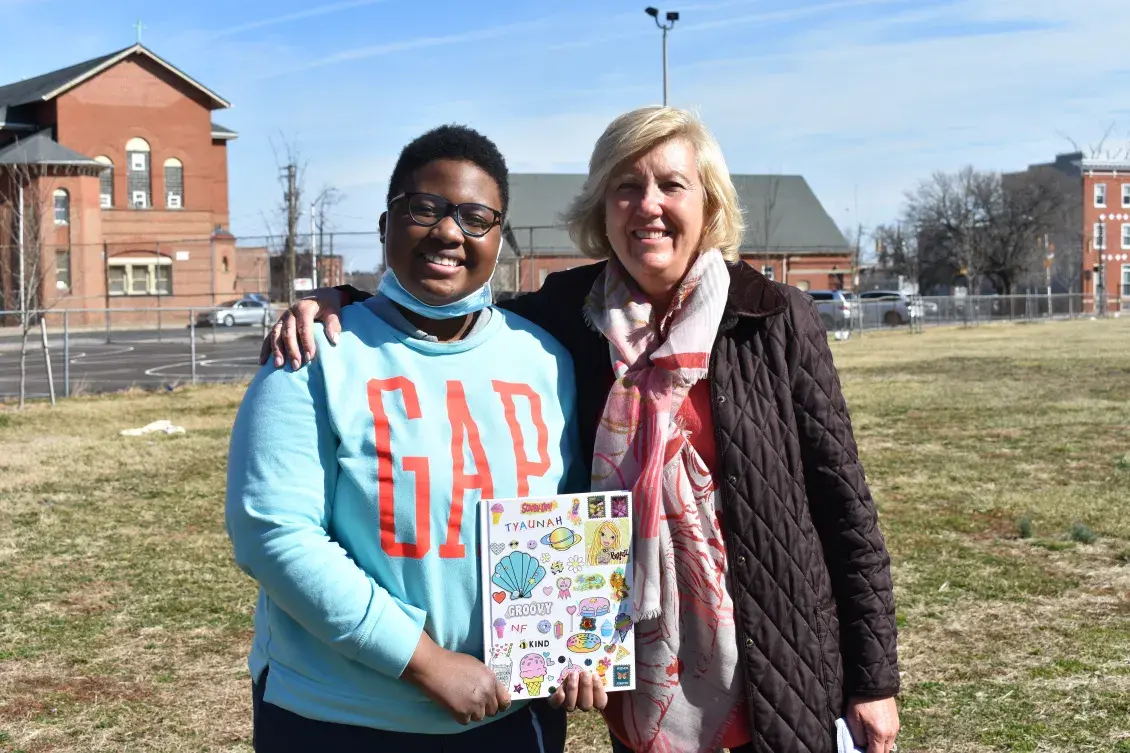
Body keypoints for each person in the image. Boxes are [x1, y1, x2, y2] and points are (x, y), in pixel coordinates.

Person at [261, 107, 901, 753]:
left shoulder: (773, 316)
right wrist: (339, 297)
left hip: (776, 661)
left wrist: (873, 679)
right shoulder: (569, 320)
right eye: (626, 186)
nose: (647, 205)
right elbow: (447, 293)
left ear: (708, 203)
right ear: (602, 208)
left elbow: (843, 507)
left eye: (671, 185)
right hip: (649, 681)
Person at [226, 124, 606, 753]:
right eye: (425, 208)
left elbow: (569, 515)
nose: (450, 232)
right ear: (386, 224)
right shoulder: (314, 352)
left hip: (510, 718)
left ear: (498, 237)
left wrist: (577, 640)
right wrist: (426, 663)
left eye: (476, 217)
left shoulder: (545, 358)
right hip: (340, 718)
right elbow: (271, 532)